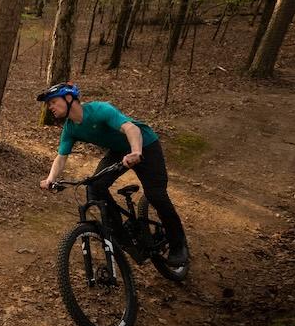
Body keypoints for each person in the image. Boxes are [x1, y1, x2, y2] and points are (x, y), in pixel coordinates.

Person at [37, 82, 189, 268]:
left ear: (69, 98)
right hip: (118, 151)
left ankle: (177, 244)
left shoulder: (100, 109)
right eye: (48, 104)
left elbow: (132, 129)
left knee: (156, 194)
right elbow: (61, 157)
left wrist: (136, 152)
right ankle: (122, 237)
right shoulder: (70, 128)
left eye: (52, 101)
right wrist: (51, 179)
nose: (49, 107)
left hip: (146, 145)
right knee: (95, 187)